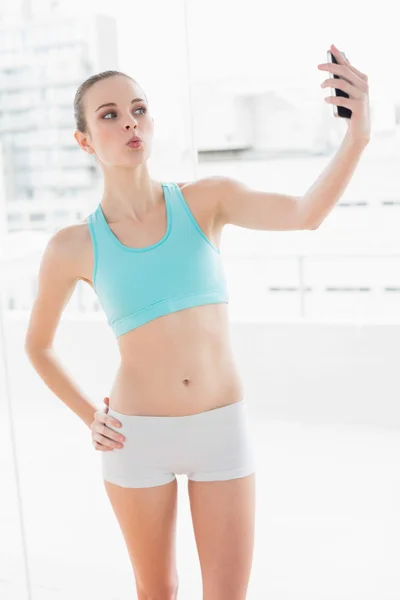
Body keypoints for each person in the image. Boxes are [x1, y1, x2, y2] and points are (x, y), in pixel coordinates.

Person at [24, 44, 370, 600]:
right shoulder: (72, 245)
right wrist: (91, 416)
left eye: (138, 109)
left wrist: (359, 136)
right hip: (135, 439)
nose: (129, 122)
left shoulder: (206, 200)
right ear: (84, 140)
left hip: (220, 428)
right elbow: (37, 345)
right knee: (157, 590)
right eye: (109, 115)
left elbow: (306, 214)